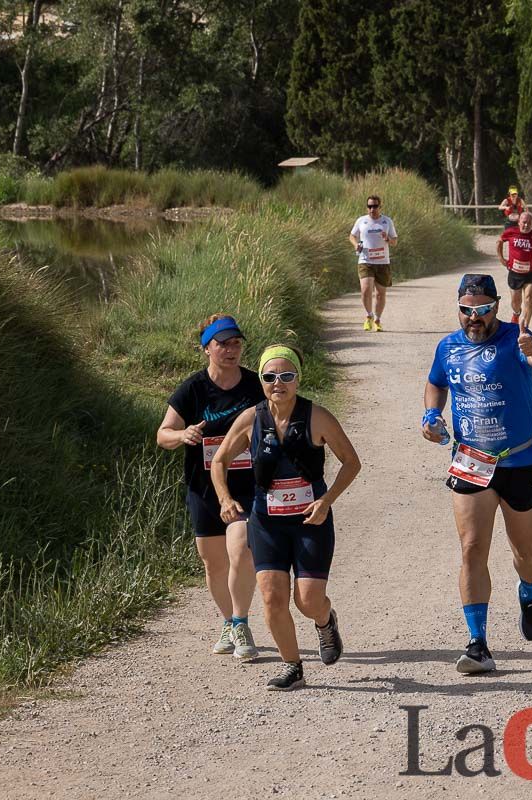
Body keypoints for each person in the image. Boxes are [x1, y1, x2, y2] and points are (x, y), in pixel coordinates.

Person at [421, 273, 532, 674]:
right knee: (471, 549)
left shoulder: (516, 338)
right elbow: (435, 384)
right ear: (459, 308)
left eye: (482, 309)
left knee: (524, 553)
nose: (474, 318)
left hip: (518, 460)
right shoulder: (447, 347)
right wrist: (431, 415)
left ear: (496, 305)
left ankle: (528, 593)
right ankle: (478, 643)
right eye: (467, 310)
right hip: (470, 460)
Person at [212, 344, 361, 691]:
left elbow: (351, 462)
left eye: (286, 376)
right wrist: (224, 498)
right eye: (269, 376)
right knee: (271, 595)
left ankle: (325, 622)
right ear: (261, 380)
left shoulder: (317, 416)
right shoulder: (251, 419)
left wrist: (326, 499)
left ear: (298, 378)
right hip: (266, 522)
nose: (278, 383)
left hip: (311, 520)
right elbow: (219, 461)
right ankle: (293, 666)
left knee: (307, 600)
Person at [157, 314, 262, 662]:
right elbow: (163, 434)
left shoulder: (254, 385)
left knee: (242, 548)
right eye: (223, 344)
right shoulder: (193, 389)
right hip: (202, 487)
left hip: (247, 486)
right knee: (213, 564)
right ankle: (229, 621)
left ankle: (243, 623)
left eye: (236, 343)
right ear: (206, 348)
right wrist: (182, 435)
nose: (231, 350)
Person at [349, 194, 399, 332]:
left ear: (380, 207)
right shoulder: (361, 221)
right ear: (367, 207)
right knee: (366, 290)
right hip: (365, 261)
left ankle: (377, 319)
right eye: (369, 206)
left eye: (375, 206)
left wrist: (387, 239)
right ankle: (368, 316)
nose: (372, 209)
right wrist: (355, 245)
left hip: (382, 262)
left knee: (380, 294)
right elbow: (352, 236)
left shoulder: (387, 221)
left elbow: (395, 241)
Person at [496, 211, 532, 328]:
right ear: (519, 222)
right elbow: (499, 241)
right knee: (516, 303)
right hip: (514, 273)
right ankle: (516, 314)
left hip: (530, 273)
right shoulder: (510, 232)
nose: (526, 225)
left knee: (529, 299)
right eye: (524, 222)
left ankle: (525, 327)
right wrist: (501, 259)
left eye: (529, 223)